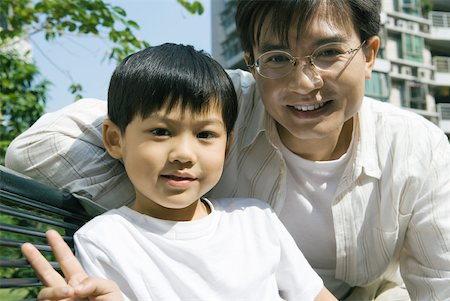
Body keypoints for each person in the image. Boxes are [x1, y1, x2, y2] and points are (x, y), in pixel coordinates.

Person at [7, 0, 450, 300]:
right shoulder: (218, 107)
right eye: (276, 58)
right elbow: (39, 148)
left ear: (370, 54)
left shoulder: (417, 149)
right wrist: (167, 215)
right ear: (251, 62)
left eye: (329, 52)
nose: (303, 83)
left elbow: (439, 282)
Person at [21, 43, 336, 301]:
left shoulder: (256, 220)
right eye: (160, 132)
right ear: (115, 140)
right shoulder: (105, 240)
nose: (184, 154)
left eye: (205, 135)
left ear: (227, 148)